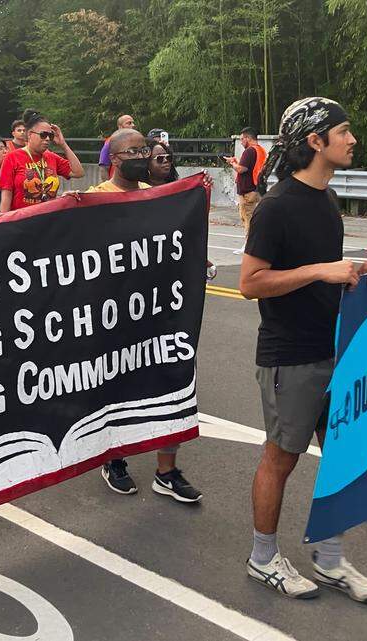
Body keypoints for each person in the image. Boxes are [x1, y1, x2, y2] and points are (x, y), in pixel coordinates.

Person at [239, 97, 367, 603]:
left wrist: (355, 268)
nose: (352, 139)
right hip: (290, 355)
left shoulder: (327, 200)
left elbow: (326, 271)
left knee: (343, 454)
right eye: (343, 132)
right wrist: (321, 271)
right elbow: (250, 282)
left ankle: (329, 558)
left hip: (334, 348)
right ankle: (263, 558)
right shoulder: (277, 206)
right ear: (314, 142)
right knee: (281, 458)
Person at [87, 128, 202, 502]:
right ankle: (114, 458)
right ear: (115, 159)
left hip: (157, 310)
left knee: (172, 381)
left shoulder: (159, 197)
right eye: (134, 150)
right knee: (118, 387)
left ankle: (166, 472)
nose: (143, 155)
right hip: (115, 313)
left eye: (144, 149)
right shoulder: (93, 200)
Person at [0, 109, 83, 212]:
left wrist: (63, 144)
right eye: (43, 135)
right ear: (29, 134)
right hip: (22, 222)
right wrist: (3, 225)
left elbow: (78, 172)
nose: (47, 139)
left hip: (48, 220)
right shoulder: (12, 157)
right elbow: (6, 198)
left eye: (50, 136)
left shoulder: (51, 157)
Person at [226, 128, 262, 229]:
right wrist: (236, 161)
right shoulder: (259, 149)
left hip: (247, 192)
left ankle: (250, 243)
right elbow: (250, 167)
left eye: (242, 139)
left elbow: (241, 169)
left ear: (247, 138)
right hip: (255, 188)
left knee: (248, 220)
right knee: (252, 218)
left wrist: (232, 163)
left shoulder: (249, 151)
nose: (241, 142)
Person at [98, 114, 135, 178]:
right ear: (120, 127)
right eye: (129, 123)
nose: (133, 125)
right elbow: (103, 168)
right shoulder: (110, 142)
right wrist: (108, 186)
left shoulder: (136, 142)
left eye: (133, 123)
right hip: (116, 184)